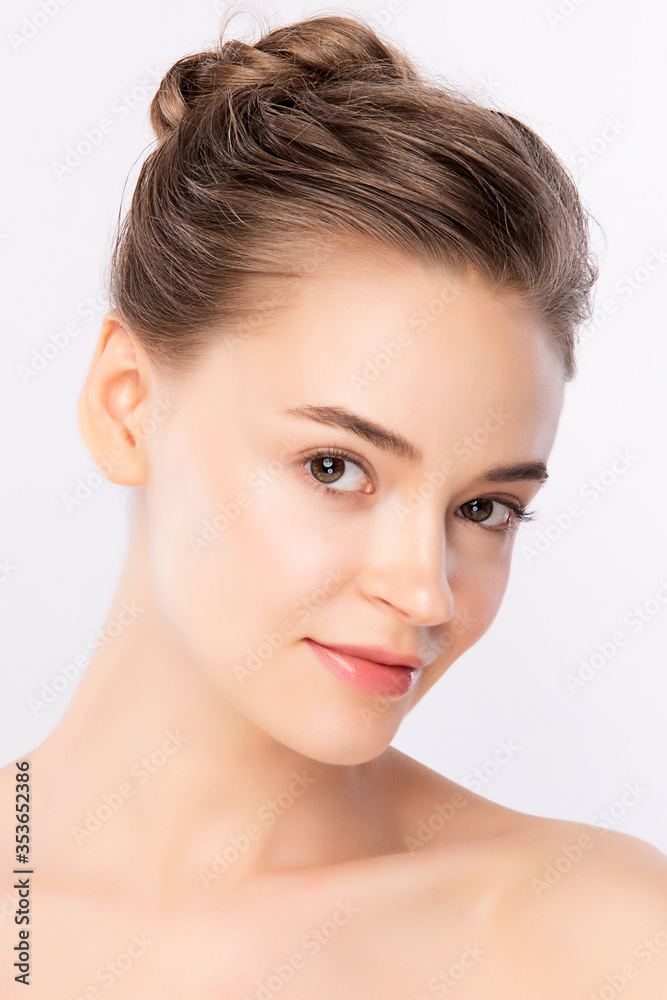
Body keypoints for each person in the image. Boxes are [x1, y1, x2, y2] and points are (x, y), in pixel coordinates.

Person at [2, 12, 665, 999]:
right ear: (127, 406)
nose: (424, 593)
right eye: (333, 467)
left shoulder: (598, 939)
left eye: (484, 508)